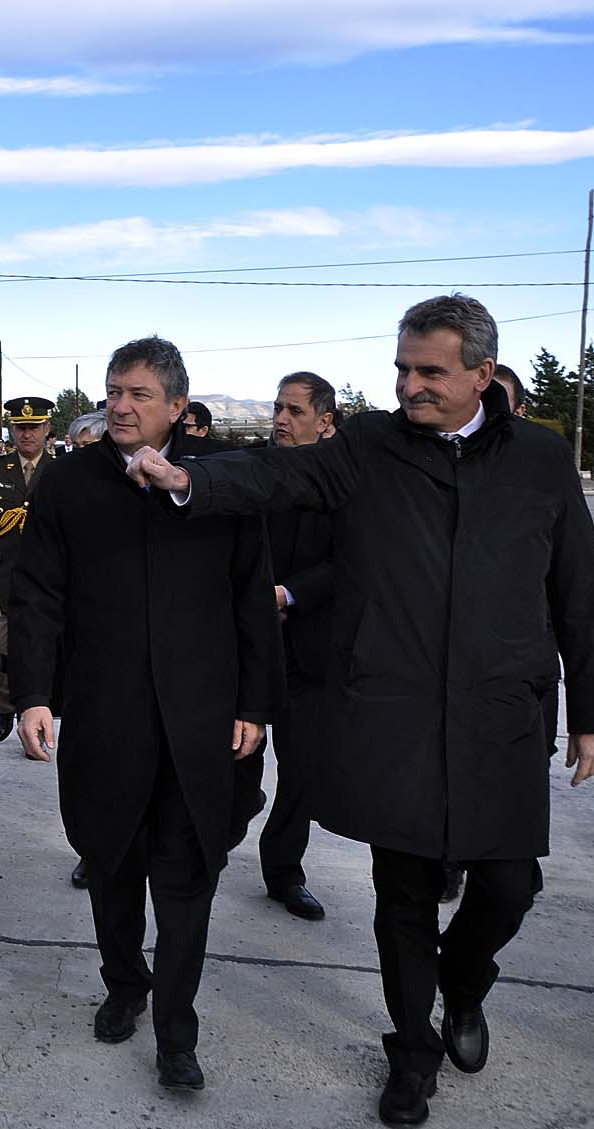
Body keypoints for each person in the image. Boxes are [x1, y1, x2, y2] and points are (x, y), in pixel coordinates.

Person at [127, 295, 594, 1125]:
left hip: (503, 716)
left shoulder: (540, 457)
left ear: (482, 374)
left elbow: (579, 592)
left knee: (508, 884)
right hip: (397, 714)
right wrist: (189, 477)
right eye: (402, 368)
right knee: (405, 895)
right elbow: (280, 472)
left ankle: (464, 983)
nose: (409, 385)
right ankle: (411, 1054)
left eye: (430, 371)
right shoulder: (371, 449)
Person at [11, 336, 281, 1093]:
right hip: (104, 716)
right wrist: (33, 692)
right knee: (110, 862)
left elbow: (251, 599)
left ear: (175, 407)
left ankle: (176, 1033)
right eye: (112, 391)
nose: (120, 406)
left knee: (188, 875)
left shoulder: (219, 485)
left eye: (137, 394)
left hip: (201, 723)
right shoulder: (69, 483)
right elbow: (38, 596)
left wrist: (256, 703)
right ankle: (125, 981)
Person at [254, 372, 337, 921]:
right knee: (230, 767)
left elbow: (353, 562)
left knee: (302, 771)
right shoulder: (256, 469)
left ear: (325, 421)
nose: (281, 420)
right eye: (278, 409)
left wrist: (290, 593)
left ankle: (284, 870)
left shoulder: (348, 481)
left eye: (295, 411)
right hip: (246, 647)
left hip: (310, 649)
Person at [0, 397, 54, 743]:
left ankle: (31, 712)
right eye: (21, 428)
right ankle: (5, 707)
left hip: (48, 580)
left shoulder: (62, 469)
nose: (26, 434)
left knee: (39, 651)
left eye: (34, 427)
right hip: (4, 577)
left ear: (47, 429)